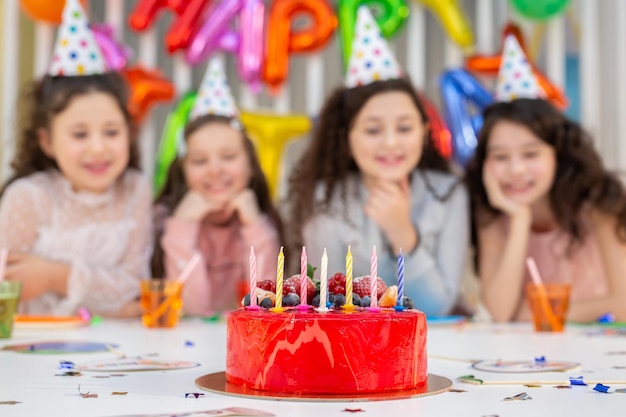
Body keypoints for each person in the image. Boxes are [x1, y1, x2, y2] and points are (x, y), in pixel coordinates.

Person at [287, 7, 469, 316]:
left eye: (404, 127)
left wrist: (402, 233)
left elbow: (437, 308)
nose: (390, 142)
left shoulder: (448, 193)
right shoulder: (325, 198)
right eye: (373, 129)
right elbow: (326, 305)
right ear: (346, 137)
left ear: (425, 134)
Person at [0, 0, 152, 317]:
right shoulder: (28, 198)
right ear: (47, 141)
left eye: (111, 132)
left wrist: (55, 276)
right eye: (80, 134)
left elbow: (135, 285)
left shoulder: (135, 190)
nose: (98, 148)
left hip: (120, 350)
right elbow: (10, 285)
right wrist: (110, 303)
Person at [465, 98, 626, 323]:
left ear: (557, 156)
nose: (516, 170)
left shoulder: (599, 202)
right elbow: (500, 313)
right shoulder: (492, 213)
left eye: (530, 154)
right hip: (532, 351)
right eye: (500, 157)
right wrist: (520, 219)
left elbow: (623, 304)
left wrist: (533, 312)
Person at [152, 57, 282, 316]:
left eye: (229, 157)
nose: (215, 169)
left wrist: (255, 226)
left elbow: (267, 308)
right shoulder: (165, 220)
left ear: (250, 166)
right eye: (200, 160)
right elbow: (191, 309)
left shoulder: (264, 221)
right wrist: (181, 227)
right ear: (182, 170)